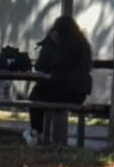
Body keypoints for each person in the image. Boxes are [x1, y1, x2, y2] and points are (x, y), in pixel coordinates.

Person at [28, 14, 94, 145]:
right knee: (41, 94)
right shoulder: (83, 44)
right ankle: (41, 135)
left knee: (35, 96)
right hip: (78, 96)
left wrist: (48, 45)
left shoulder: (54, 43)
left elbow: (40, 66)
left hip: (58, 91)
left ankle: (37, 133)